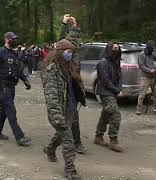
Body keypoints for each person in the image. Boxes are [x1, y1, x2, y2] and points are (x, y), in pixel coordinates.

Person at [41, 39, 85, 180]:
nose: (70, 54)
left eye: (71, 52)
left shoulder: (68, 66)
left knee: (61, 134)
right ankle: (70, 170)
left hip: (69, 107)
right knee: (68, 138)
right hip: (57, 110)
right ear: (59, 52)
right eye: (67, 51)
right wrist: (57, 116)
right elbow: (51, 96)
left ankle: (50, 149)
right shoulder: (51, 70)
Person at [0, 32, 32, 146]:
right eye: (13, 39)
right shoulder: (0, 53)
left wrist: (25, 81)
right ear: (7, 39)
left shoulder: (14, 53)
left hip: (11, 86)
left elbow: (19, 70)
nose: (15, 41)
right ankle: (19, 137)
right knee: (11, 110)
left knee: (4, 110)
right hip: (2, 86)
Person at [58, 14, 87, 154]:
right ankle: (70, 142)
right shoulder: (62, 53)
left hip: (73, 87)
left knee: (72, 116)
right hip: (63, 87)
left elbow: (74, 38)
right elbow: (60, 40)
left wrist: (74, 25)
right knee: (67, 117)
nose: (71, 48)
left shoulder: (75, 54)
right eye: (68, 47)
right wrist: (64, 23)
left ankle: (75, 142)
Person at [94, 42, 123, 152]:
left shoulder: (116, 62)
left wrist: (119, 88)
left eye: (118, 48)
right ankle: (113, 140)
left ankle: (98, 136)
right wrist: (116, 90)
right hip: (104, 92)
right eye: (114, 48)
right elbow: (105, 80)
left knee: (106, 113)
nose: (116, 50)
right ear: (109, 49)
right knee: (115, 113)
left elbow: (120, 76)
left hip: (113, 92)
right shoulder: (103, 63)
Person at [136, 40, 156, 115]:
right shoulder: (142, 55)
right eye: (152, 47)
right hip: (145, 77)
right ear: (148, 47)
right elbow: (141, 66)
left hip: (154, 77)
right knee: (142, 94)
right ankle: (139, 109)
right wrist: (150, 70)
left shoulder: (152, 54)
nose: (153, 49)